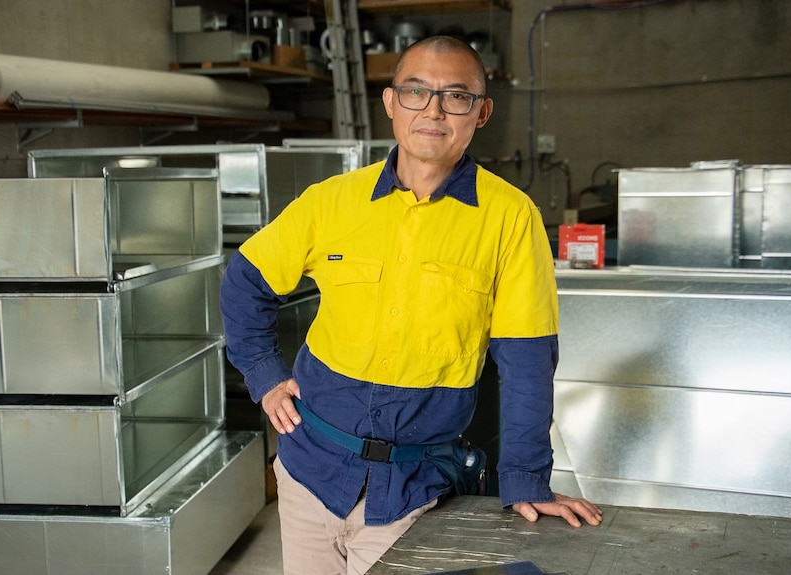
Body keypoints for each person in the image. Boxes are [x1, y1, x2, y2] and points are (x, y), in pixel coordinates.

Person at [220, 35, 602, 575]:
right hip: (310, 469)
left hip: (414, 490)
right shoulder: (330, 202)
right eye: (417, 92)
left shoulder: (510, 219)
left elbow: (528, 361)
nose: (434, 110)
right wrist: (264, 374)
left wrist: (525, 478)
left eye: (456, 96)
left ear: (482, 112)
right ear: (390, 102)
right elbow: (244, 281)